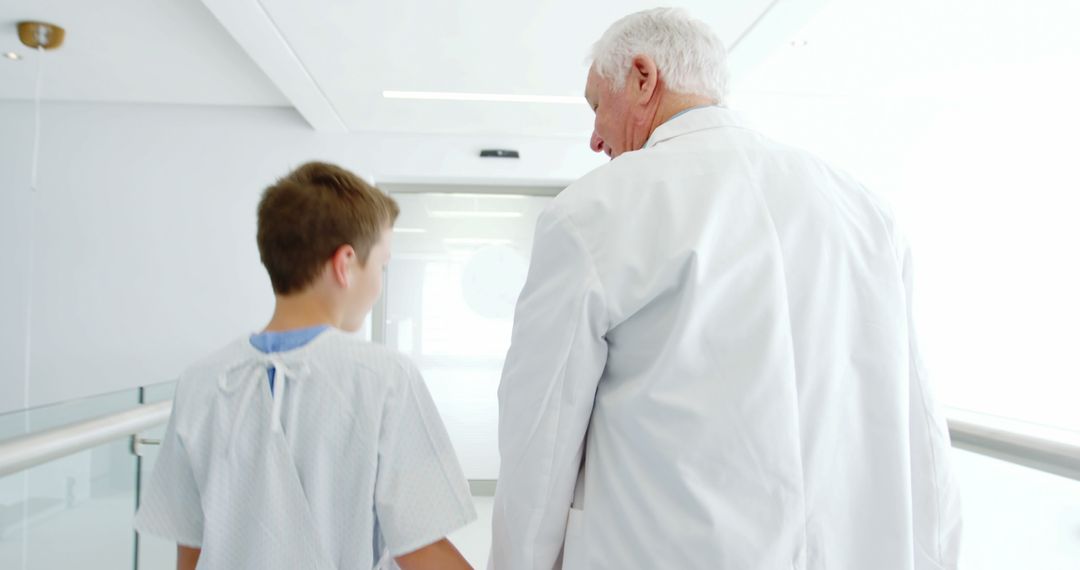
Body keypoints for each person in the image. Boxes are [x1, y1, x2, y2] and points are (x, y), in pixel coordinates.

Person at [490, 8, 961, 570]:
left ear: (644, 77)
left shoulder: (594, 212)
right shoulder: (864, 212)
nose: (595, 138)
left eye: (596, 106)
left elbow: (538, 446)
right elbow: (923, 434)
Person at [134, 162, 476, 570]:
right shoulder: (383, 377)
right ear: (345, 263)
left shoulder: (202, 381)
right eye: (382, 266)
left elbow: (190, 549)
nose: (380, 280)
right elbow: (421, 549)